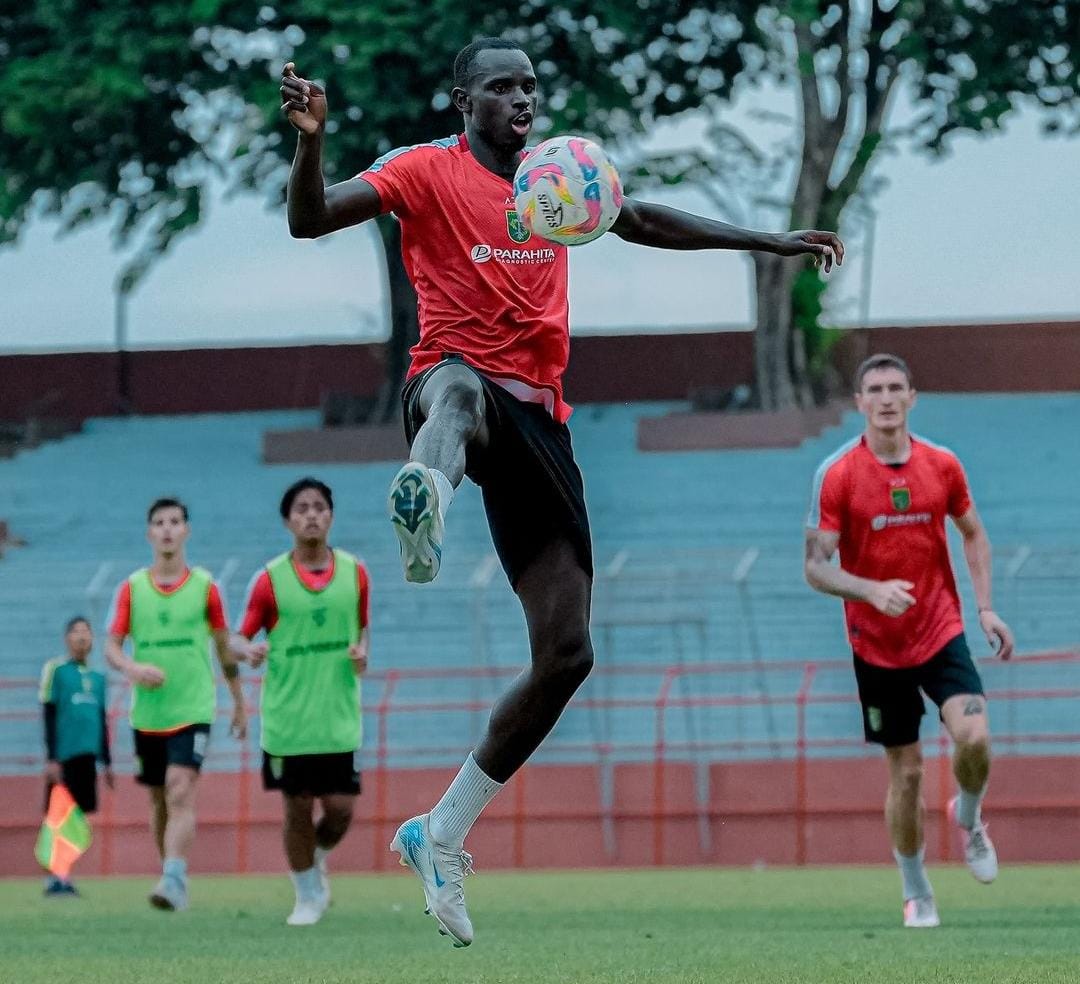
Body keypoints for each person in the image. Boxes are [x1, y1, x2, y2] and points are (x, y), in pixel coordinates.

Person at [281, 37, 844, 946]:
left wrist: (767, 242)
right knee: (459, 390)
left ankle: (442, 831)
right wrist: (309, 142)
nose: (523, 98)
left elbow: (643, 220)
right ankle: (426, 492)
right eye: (502, 85)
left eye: (532, 85)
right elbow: (311, 220)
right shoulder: (424, 170)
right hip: (453, 387)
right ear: (461, 99)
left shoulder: (559, 179)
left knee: (569, 654)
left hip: (541, 423)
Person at [804, 353, 1015, 929]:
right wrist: (870, 590)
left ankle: (968, 818)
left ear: (913, 398)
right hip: (875, 644)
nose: (888, 397)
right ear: (860, 403)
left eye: (897, 387)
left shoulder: (942, 465)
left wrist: (987, 608)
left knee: (974, 737)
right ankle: (917, 888)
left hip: (940, 628)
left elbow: (973, 535)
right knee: (909, 772)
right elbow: (815, 567)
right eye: (876, 388)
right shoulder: (839, 474)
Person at [232, 478, 371, 926]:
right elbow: (238, 637)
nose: (311, 514)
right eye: (301, 508)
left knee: (340, 811)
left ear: (331, 516)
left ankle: (315, 857)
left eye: (318, 507)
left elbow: (363, 629)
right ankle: (307, 894)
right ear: (288, 521)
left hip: (337, 716)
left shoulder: (356, 573)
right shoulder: (269, 581)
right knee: (296, 807)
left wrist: (363, 652)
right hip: (287, 719)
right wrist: (247, 649)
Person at [104, 497, 247, 912]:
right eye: (159, 523)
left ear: (186, 530)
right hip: (148, 714)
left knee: (179, 788)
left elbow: (223, 649)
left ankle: (173, 877)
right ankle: (171, 870)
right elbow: (111, 646)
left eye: (175, 521)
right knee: (159, 800)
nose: (167, 529)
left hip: (193, 708)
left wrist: (238, 703)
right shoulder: (132, 588)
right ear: (150, 533)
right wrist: (132, 667)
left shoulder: (206, 587)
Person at [39, 615, 114, 896]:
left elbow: (102, 719)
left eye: (87, 632)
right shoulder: (56, 671)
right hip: (64, 756)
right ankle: (54, 878)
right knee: (57, 816)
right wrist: (52, 758)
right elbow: (48, 713)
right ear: (67, 638)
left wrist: (107, 762)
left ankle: (64, 876)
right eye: (76, 631)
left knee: (76, 819)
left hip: (88, 757)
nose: (82, 636)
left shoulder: (98, 678)